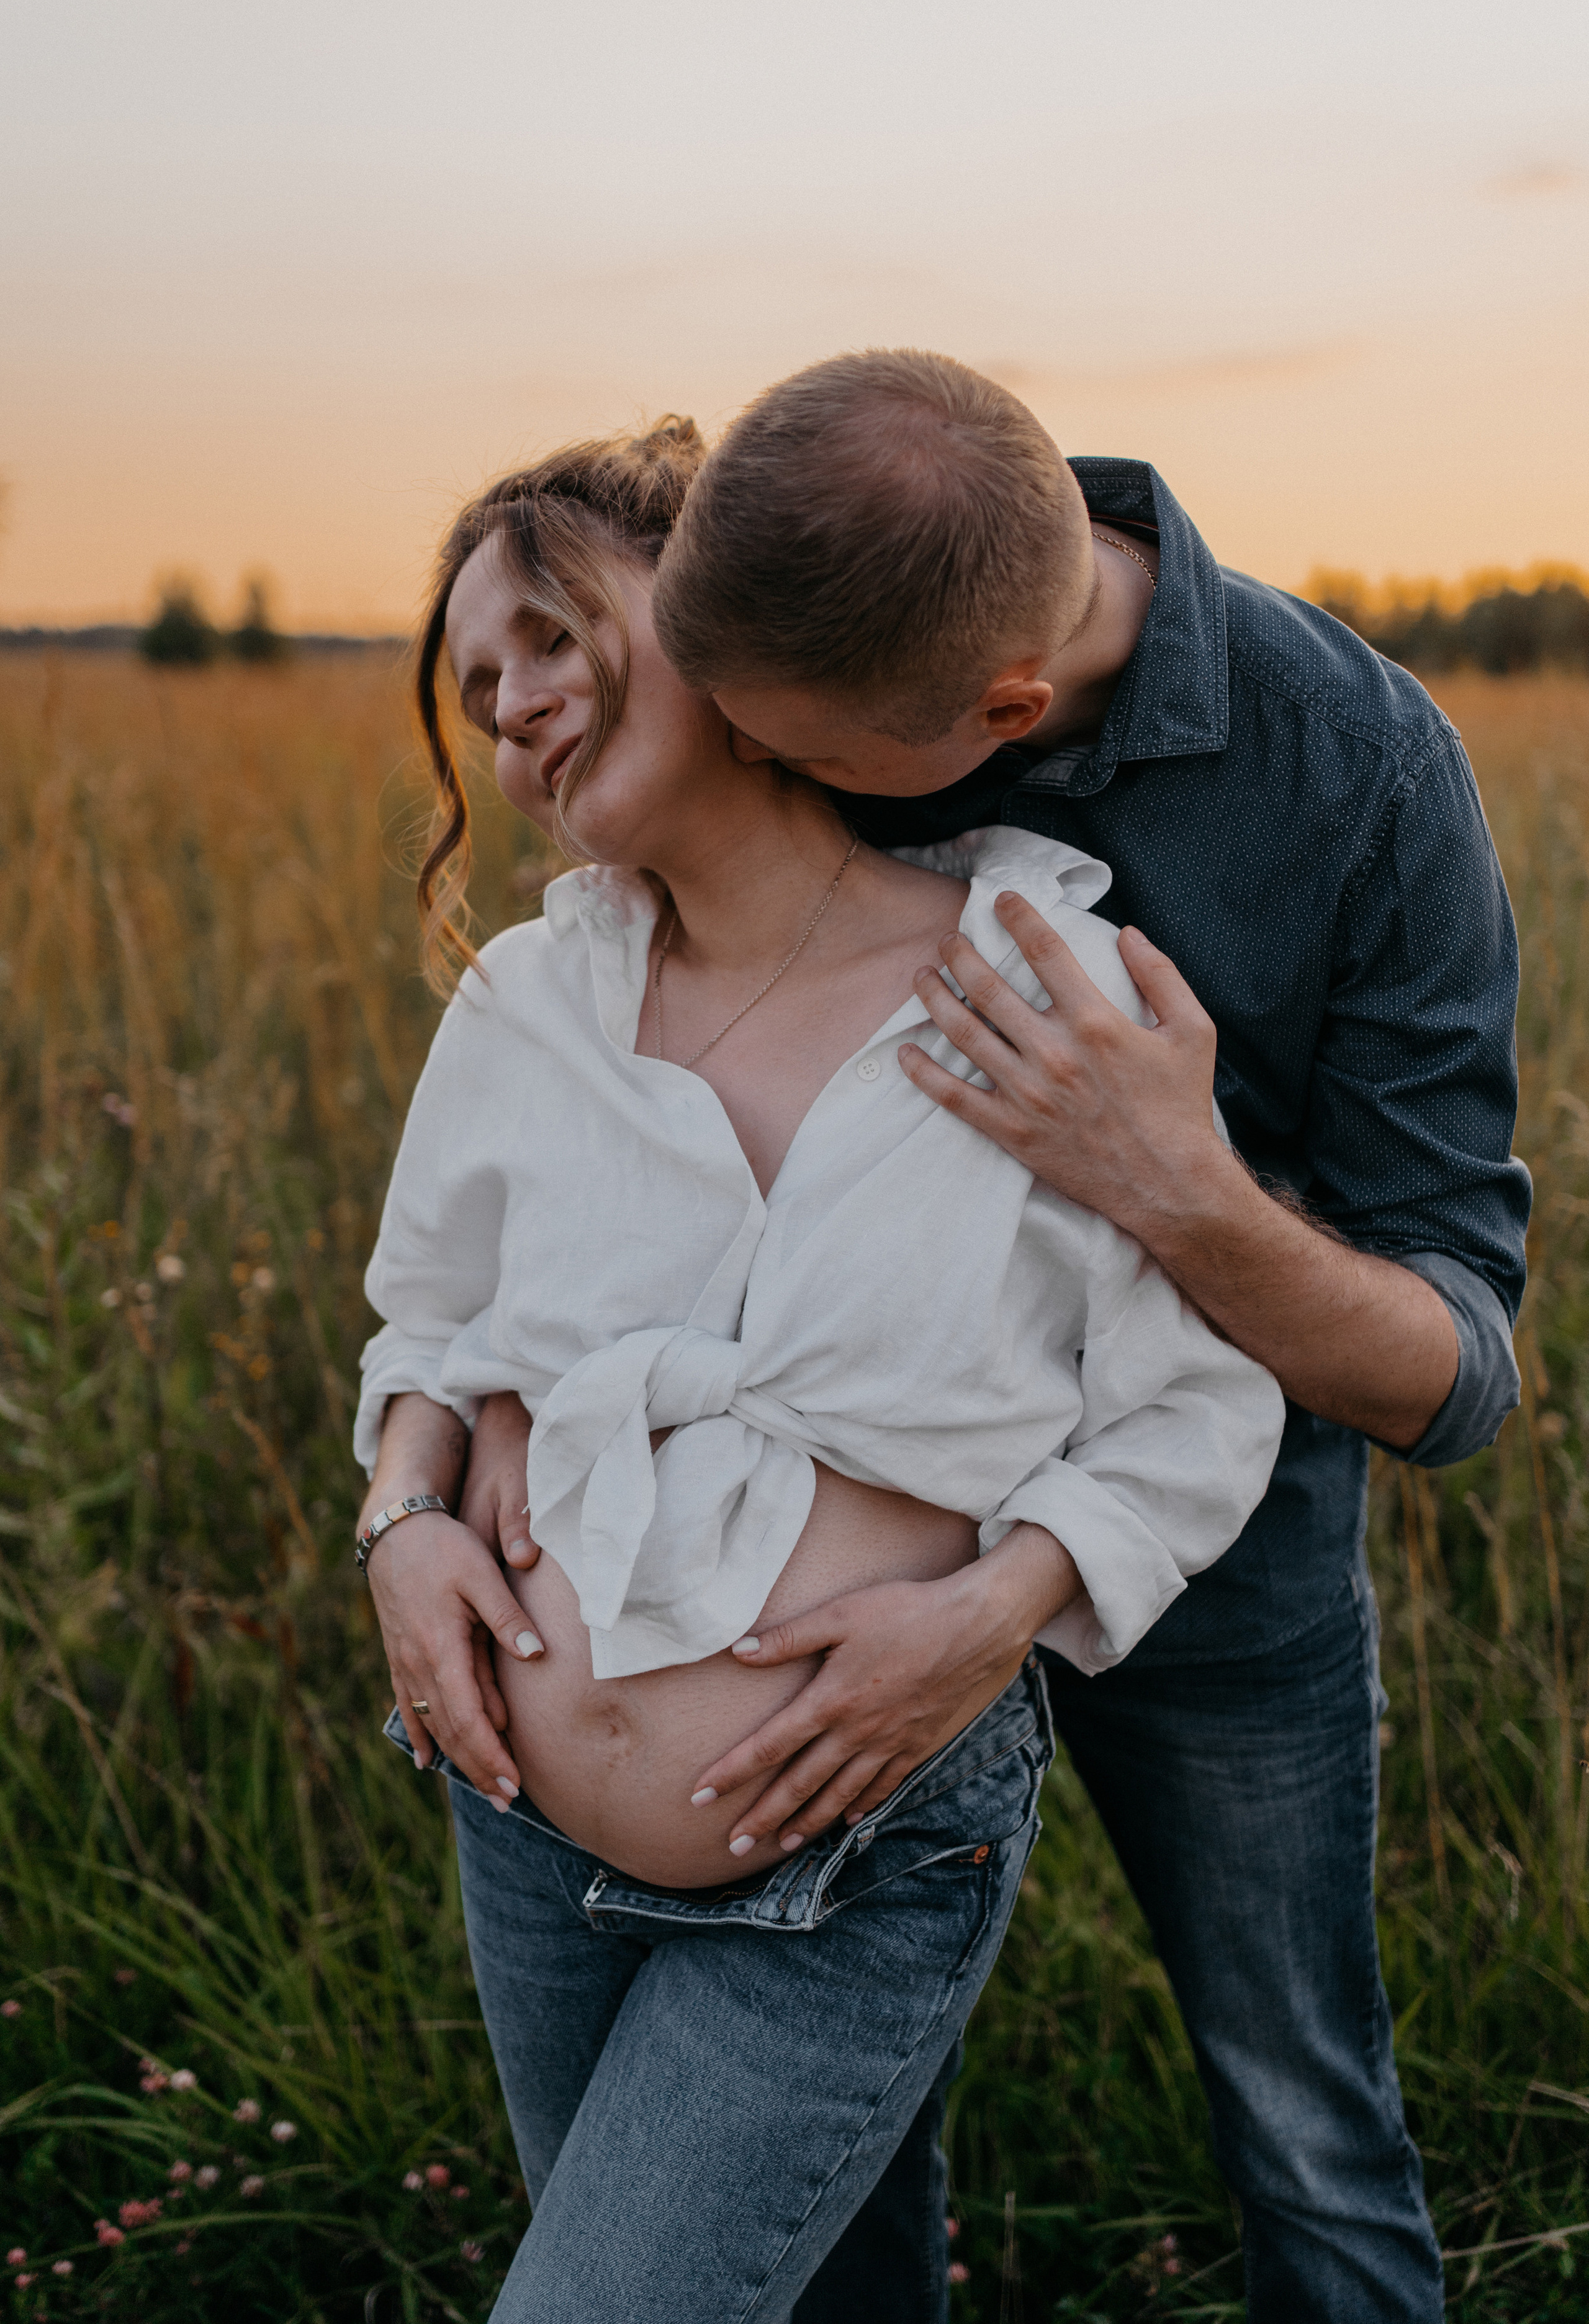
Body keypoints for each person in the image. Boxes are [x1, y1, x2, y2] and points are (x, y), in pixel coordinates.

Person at [593, 348, 1518, 2322]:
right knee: (831, 2159)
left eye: (811, 764)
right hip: (811, 1573)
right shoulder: (812, 621)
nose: (769, 786)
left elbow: (1458, 1377)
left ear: (1004, 716)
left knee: (1305, 2116)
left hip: (1224, 1581)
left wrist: (1170, 1178)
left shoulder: (1361, 774)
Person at [353, 418, 1285, 2321]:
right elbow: (429, 1323)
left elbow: (1199, 1401)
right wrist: (401, 1521)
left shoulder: (1043, 983)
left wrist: (997, 1617)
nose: (514, 706)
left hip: (856, 1847)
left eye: (549, 634)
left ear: (719, 622)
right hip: (521, 1825)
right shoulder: (530, 1001)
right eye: (475, 685)